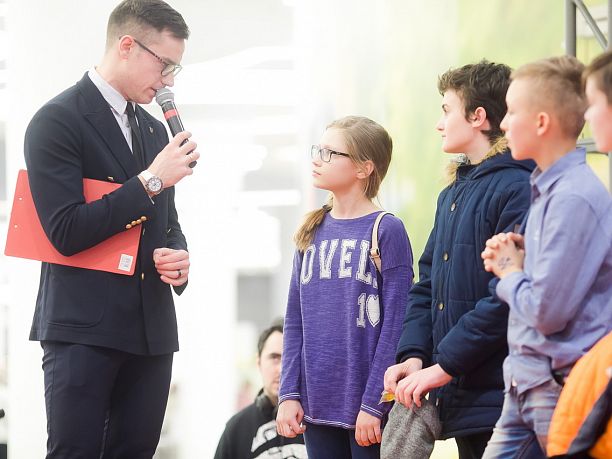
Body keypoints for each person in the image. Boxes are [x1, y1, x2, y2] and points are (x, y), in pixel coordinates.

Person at [24, 1, 200, 457]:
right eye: (164, 64)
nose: (168, 81)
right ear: (126, 46)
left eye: (175, 69)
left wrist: (177, 256)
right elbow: (65, 230)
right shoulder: (57, 120)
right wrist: (151, 180)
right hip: (83, 330)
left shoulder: (154, 131)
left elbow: (168, 224)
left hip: (151, 329)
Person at [384, 60, 534, 459]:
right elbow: (427, 284)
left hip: (504, 398)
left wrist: (443, 366)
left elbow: (505, 297)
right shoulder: (450, 195)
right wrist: (414, 354)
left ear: (478, 117)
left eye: (446, 110)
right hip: (464, 397)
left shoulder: (519, 188)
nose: (439, 124)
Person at [480, 55, 612, 459]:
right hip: (526, 381)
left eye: (512, 112)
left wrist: (509, 271)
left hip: (557, 384)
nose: (503, 123)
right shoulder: (548, 189)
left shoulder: (573, 197)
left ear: (541, 122)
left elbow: (546, 311)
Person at [276, 116, 413, 459]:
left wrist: (374, 403)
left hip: (368, 411)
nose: (317, 159)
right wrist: (289, 393)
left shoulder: (387, 229)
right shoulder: (311, 229)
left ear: (364, 168)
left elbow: (396, 325)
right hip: (315, 408)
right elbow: (295, 320)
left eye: (330, 153)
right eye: (317, 150)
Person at [214, 320, 308, 459]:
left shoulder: (318, 424)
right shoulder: (236, 429)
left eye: (290, 359)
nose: (282, 369)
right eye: (274, 358)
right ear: (259, 363)